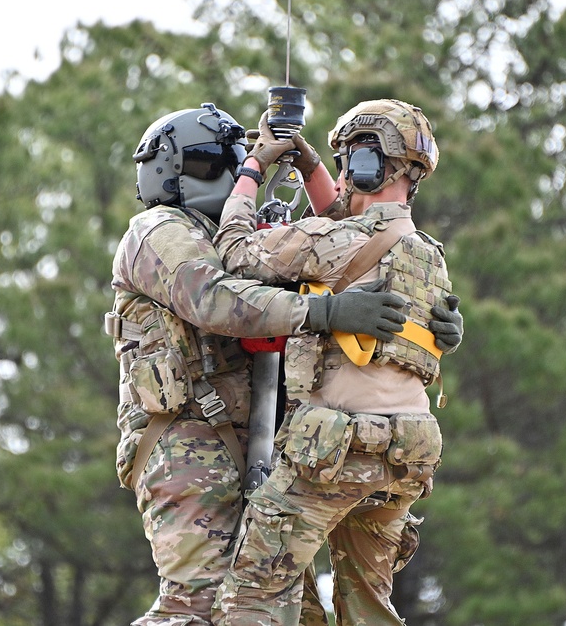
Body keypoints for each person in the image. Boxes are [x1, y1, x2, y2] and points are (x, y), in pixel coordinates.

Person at [106, 103, 421, 626]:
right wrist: (322, 312)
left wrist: (422, 320)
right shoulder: (158, 231)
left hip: (266, 440)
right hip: (185, 441)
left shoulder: (241, 234)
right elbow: (214, 300)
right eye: (216, 162)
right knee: (199, 604)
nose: (229, 170)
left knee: (284, 608)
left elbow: (356, 241)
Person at [210, 99, 462, 626]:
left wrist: (253, 168)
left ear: (372, 165)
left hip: (337, 448)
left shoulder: (338, 240)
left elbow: (233, 249)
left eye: (349, 162)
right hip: (407, 450)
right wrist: (309, 166)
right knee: (370, 608)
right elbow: (340, 226)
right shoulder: (429, 254)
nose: (344, 175)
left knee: (250, 595)